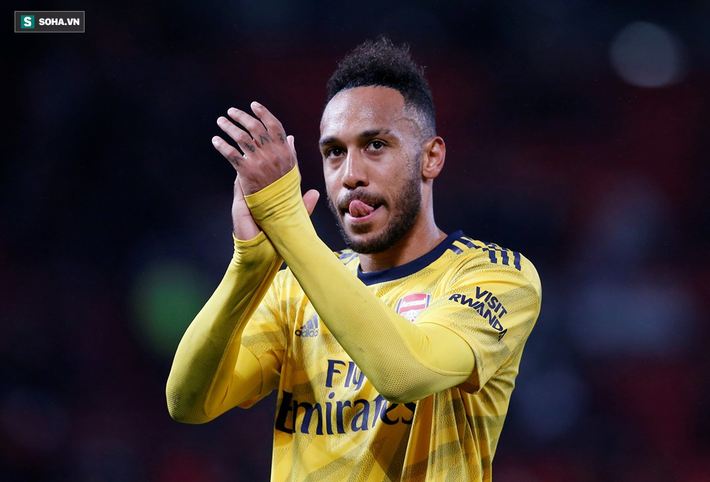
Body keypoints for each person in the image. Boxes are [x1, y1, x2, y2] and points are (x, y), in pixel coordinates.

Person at [166, 37, 542, 481]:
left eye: (375, 145)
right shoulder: (293, 291)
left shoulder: (495, 277)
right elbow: (188, 402)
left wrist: (286, 221)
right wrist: (248, 267)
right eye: (334, 153)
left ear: (431, 158)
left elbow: (405, 375)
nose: (350, 175)